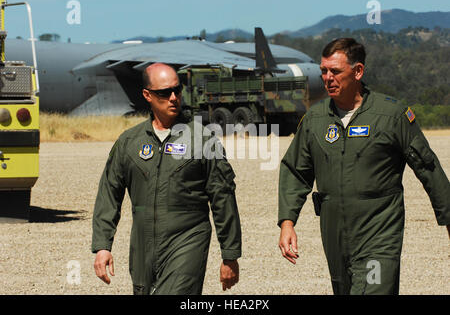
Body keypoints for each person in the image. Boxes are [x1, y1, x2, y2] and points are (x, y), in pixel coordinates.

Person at [278, 38, 450, 295]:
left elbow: (428, 168)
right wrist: (287, 222)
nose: (327, 78)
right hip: (335, 237)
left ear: (358, 71)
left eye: (335, 71)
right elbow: (295, 171)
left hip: (379, 234)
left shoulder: (390, 115)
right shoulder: (315, 120)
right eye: (323, 70)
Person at [92, 63, 242, 295]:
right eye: (164, 93)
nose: (173, 97)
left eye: (177, 90)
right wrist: (103, 246)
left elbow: (223, 197)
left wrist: (229, 255)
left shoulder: (202, 140)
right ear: (147, 95)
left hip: (188, 241)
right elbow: (109, 193)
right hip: (142, 247)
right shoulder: (129, 142)